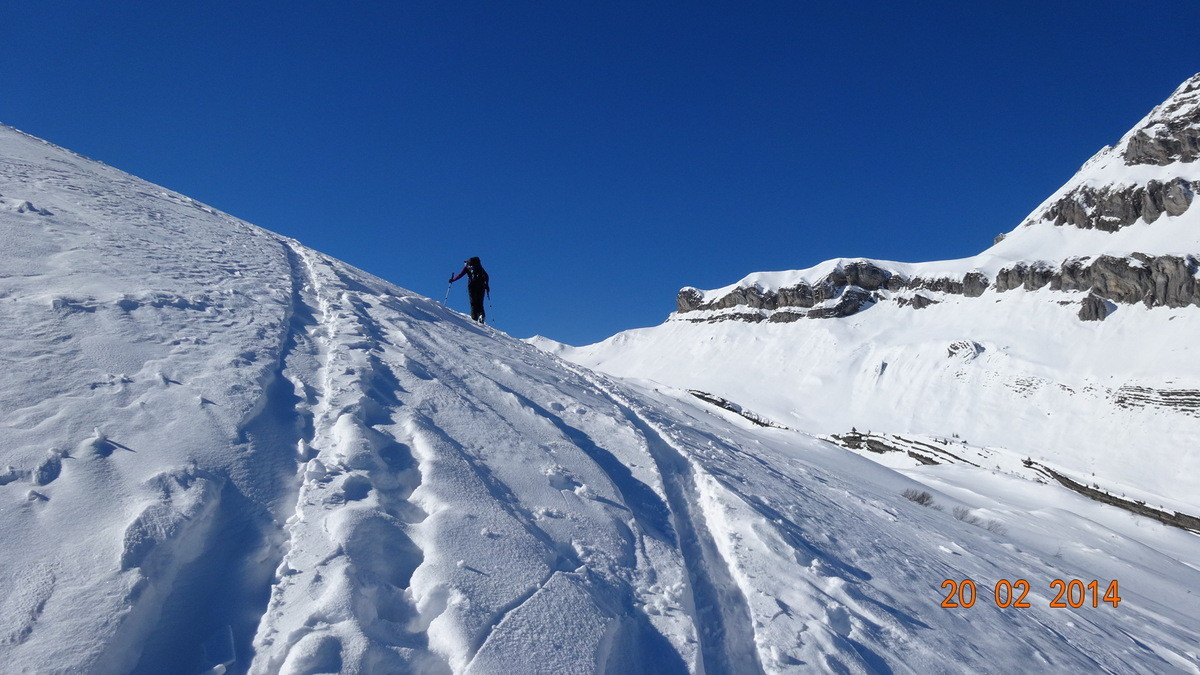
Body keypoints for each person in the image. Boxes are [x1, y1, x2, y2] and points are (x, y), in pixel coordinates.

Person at [449, 256, 489, 323]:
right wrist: (487, 286)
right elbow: (486, 276)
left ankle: (474, 318)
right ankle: (481, 315)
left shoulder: (467, 267)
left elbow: (460, 275)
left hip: (472, 286)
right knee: (480, 303)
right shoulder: (480, 268)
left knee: (473, 302)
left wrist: (453, 280)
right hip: (481, 286)